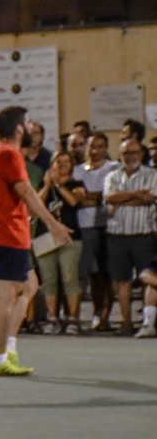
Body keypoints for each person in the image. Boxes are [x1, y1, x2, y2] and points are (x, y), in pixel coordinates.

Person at [0, 106, 71, 375]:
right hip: (7, 234)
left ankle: (10, 347)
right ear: (19, 129)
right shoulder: (9, 154)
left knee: (30, 285)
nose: (31, 127)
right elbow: (26, 192)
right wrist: (53, 225)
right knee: (5, 298)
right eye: (28, 123)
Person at [101, 137, 157, 336]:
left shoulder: (152, 174)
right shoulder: (112, 176)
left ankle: (147, 321)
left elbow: (150, 198)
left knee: (146, 279)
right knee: (121, 279)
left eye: (134, 152)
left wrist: (121, 199)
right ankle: (126, 322)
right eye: (125, 153)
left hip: (143, 234)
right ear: (120, 155)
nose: (130, 156)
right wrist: (136, 194)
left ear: (141, 154)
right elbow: (109, 197)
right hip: (117, 234)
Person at [36, 151, 85, 334]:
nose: (62, 165)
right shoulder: (44, 185)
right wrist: (47, 185)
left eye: (66, 161)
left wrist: (59, 185)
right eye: (59, 161)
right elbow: (36, 206)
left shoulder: (77, 185)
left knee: (69, 277)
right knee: (48, 279)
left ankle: (73, 318)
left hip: (69, 236)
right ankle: (52, 318)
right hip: (45, 237)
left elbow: (73, 201)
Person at [76, 132, 120, 332]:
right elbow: (74, 199)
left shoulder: (113, 168)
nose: (94, 151)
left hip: (106, 226)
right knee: (89, 274)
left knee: (105, 274)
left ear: (106, 148)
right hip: (82, 226)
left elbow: (108, 197)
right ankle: (92, 313)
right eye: (91, 146)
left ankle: (105, 316)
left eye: (99, 146)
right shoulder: (77, 170)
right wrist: (91, 198)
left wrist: (88, 197)